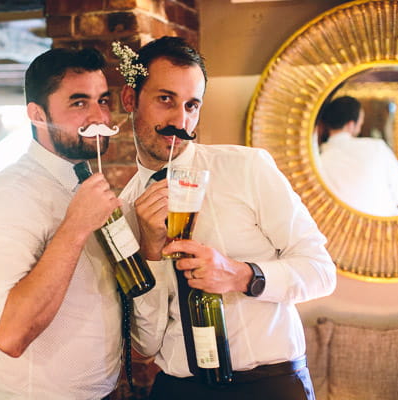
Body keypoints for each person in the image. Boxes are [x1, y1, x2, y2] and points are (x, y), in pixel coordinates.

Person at [117, 36, 337, 400]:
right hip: (177, 389)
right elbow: (146, 343)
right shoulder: (125, 210)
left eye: (192, 105)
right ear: (130, 99)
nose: (180, 120)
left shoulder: (247, 167)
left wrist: (240, 274)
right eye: (165, 99)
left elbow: (321, 271)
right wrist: (150, 251)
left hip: (270, 386)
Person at [0, 47, 124, 399]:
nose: (98, 115)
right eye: (79, 103)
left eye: (103, 100)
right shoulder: (8, 194)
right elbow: (10, 335)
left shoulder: (84, 183)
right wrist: (76, 227)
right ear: (37, 115)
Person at [318, 96, 398, 216]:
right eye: (361, 122)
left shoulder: (318, 159)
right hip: (381, 225)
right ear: (351, 124)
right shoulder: (376, 147)